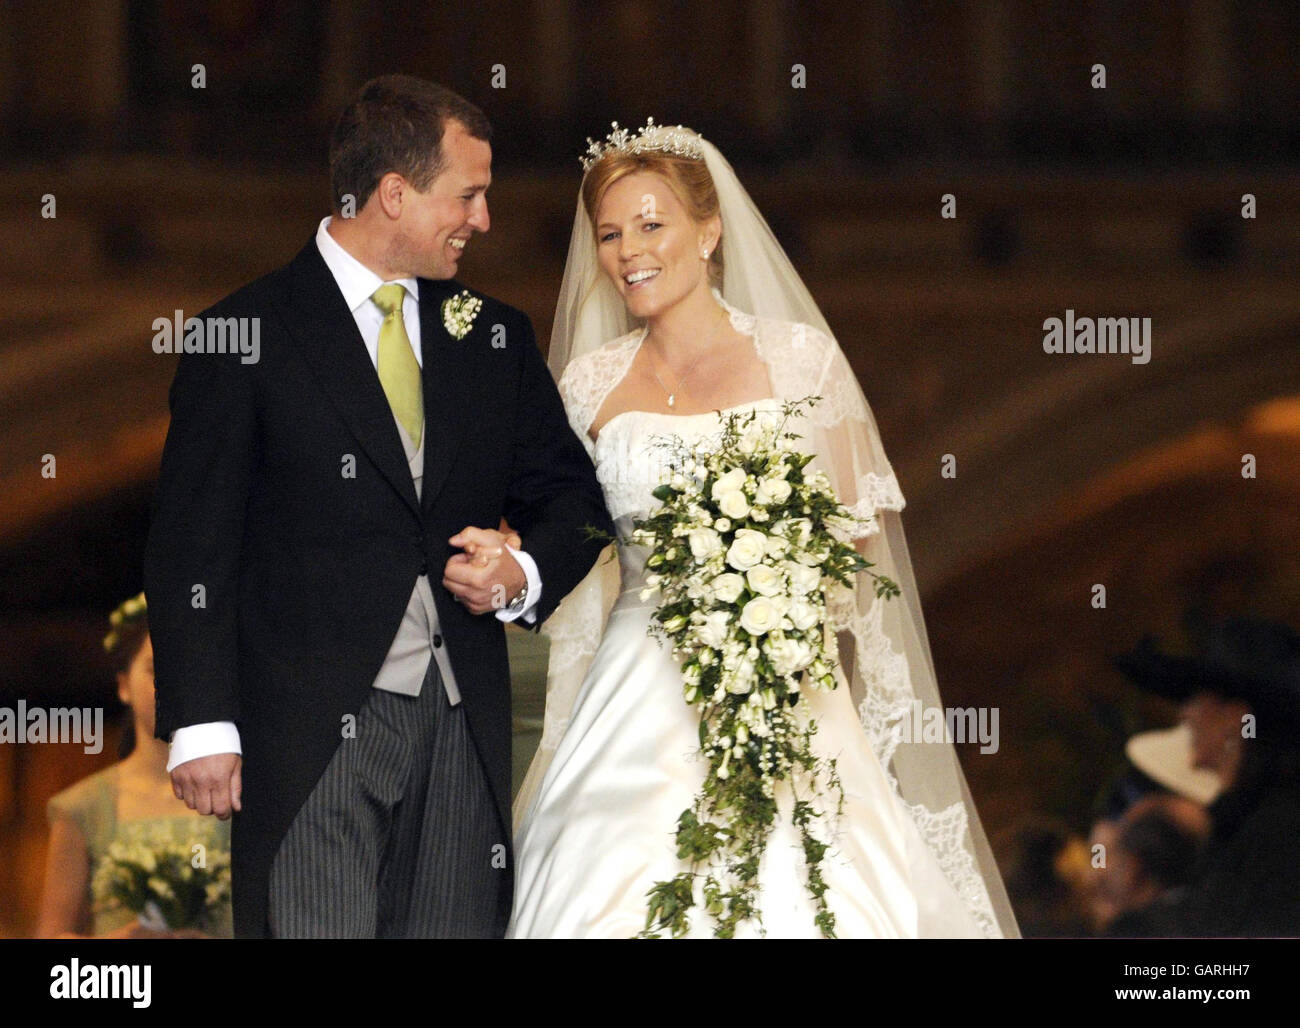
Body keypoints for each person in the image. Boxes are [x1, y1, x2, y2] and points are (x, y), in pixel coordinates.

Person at [508, 120, 1019, 938]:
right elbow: (565, 529)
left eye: (651, 224)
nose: (627, 250)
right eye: (609, 233)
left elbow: (855, 544)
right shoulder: (587, 383)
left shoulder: (801, 362)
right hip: (634, 689)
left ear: (708, 231)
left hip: (786, 682)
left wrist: (773, 614)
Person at [142, 76, 612, 938]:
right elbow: (191, 547)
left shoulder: (493, 334)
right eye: (468, 196)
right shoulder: (240, 335)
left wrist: (525, 570)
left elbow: (576, 498)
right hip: (305, 736)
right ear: (395, 193)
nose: (483, 221)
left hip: (462, 729)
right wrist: (202, 721)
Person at [37, 594, 232, 938]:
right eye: (157, 670)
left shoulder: (239, 792)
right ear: (124, 685)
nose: (172, 686)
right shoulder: (83, 806)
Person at [1113, 617, 1300, 936]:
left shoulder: (1276, 832)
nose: (1184, 714)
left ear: (1234, 719)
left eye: (1194, 697)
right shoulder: (1245, 824)